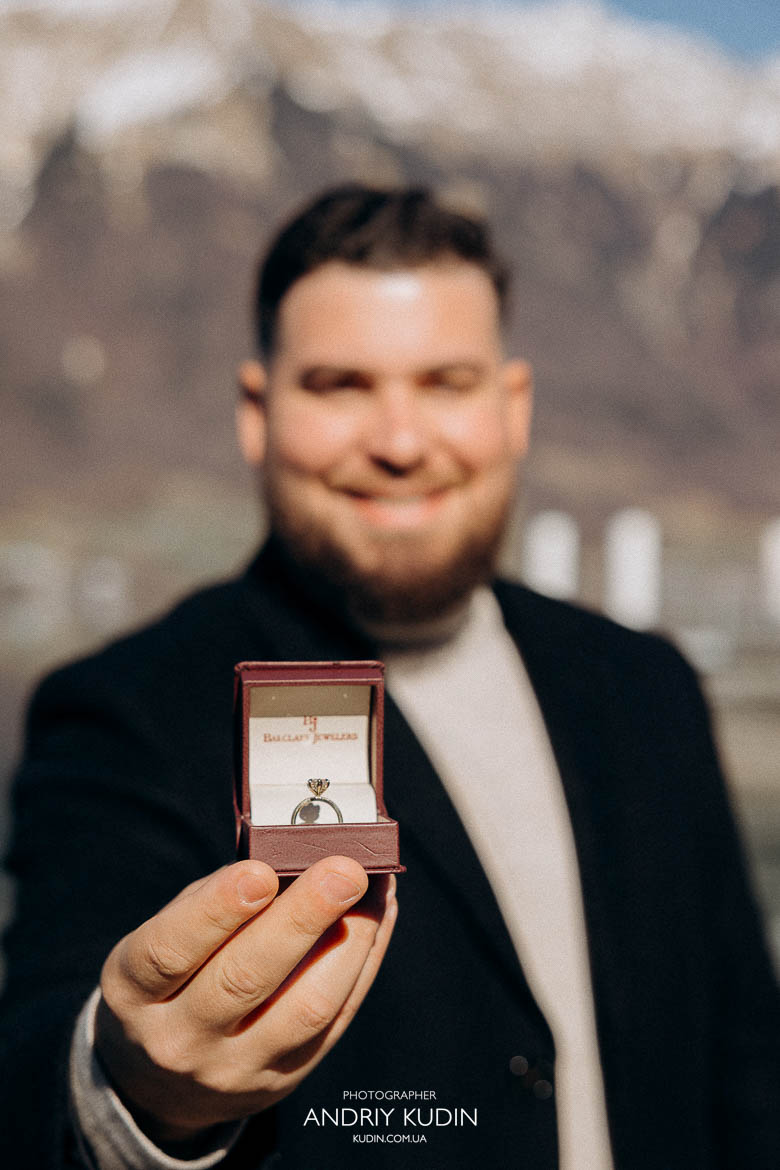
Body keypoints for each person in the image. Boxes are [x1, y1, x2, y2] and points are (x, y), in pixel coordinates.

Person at [1, 185, 778, 1170]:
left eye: (447, 383)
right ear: (257, 413)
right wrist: (132, 1091)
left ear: (514, 408)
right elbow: (41, 1064)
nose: (401, 443)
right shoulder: (125, 712)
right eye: (341, 385)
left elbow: (751, 1075)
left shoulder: (647, 687)